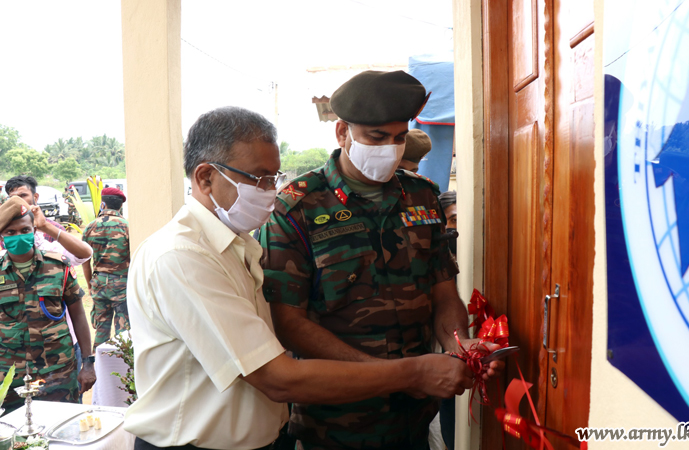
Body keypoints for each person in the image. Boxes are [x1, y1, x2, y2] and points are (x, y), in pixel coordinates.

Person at [124, 106, 499, 450]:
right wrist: (414, 373)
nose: (270, 191)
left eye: (274, 177)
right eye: (259, 178)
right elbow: (278, 377)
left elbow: (441, 287)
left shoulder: (232, 244)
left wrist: (456, 347)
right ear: (206, 177)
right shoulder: (184, 256)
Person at [259, 71, 498, 450]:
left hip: (416, 417)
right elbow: (290, 324)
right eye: (377, 137)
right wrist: (403, 375)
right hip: (334, 425)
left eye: (399, 137)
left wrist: (458, 344)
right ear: (342, 132)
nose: (391, 148)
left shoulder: (422, 197)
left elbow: (443, 291)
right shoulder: (297, 209)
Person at [0, 197, 96, 413]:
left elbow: (78, 315)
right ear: (2, 236)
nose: (18, 236)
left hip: (58, 372)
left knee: (64, 430)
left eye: (24, 229)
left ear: (34, 229)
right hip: (9, 375)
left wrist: (88, 362)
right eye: (10, 232)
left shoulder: (58, 266)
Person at [81, 187, 130, 350]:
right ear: (120, 206)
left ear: (103, 204)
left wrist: (89, 283)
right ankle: (123, 369)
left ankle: (99, 369)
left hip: (99, 282)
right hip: (122, 284)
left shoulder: (90, 227)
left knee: (101, 329)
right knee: (123, 331)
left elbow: (85, 260)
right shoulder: (127, 226)